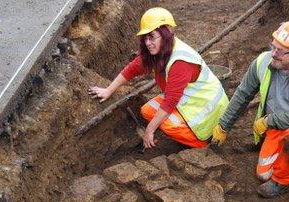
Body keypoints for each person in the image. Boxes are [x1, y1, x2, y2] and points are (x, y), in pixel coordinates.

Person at [211, 21, 289, 198]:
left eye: (281, 51)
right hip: (277, 126)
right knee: (263, 174)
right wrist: (224, 125)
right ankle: (286, 158)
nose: (273, 54)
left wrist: (269, 121)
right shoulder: (263, 62)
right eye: (273, 47)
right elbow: (243, 94)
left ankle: (283, 181)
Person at [88, 7, 229, 149]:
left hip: (209, 112)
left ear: (166, 33)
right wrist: (108, 90)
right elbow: (132, 69)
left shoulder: (180, 61)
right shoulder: (158, 50)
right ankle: (185, 131)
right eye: (145, 38)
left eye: (152, 37)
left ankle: (199, 143)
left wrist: (149, 130)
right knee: (147, 111)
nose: (148, 43)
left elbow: (170, 101)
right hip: (187, 101)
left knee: (167, 125)